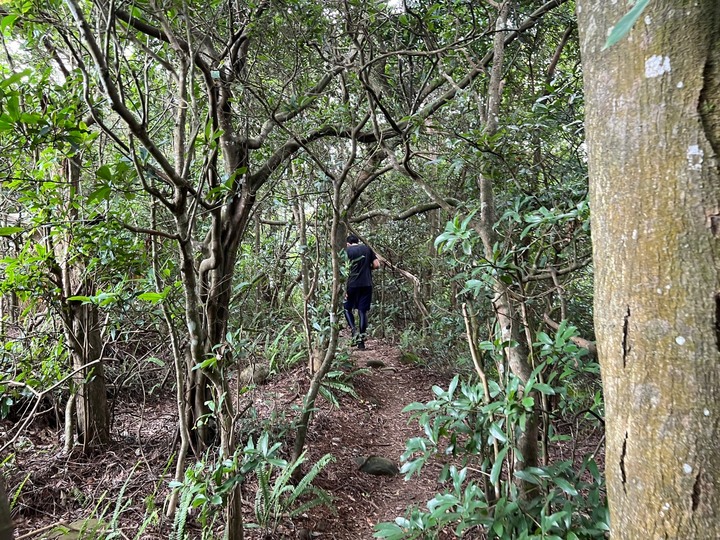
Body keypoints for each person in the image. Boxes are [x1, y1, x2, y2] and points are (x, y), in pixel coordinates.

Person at [344, 234, 380, 350]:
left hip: (351, 284)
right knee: (362, 311)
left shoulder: (346, 251)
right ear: (357, 241)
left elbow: (342, 270)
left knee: (346, 308)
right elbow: (377, 264)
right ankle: (361, 343)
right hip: (366, 284)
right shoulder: (367, 248)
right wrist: (368, 268)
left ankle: (354, 332)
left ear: (348, 243)